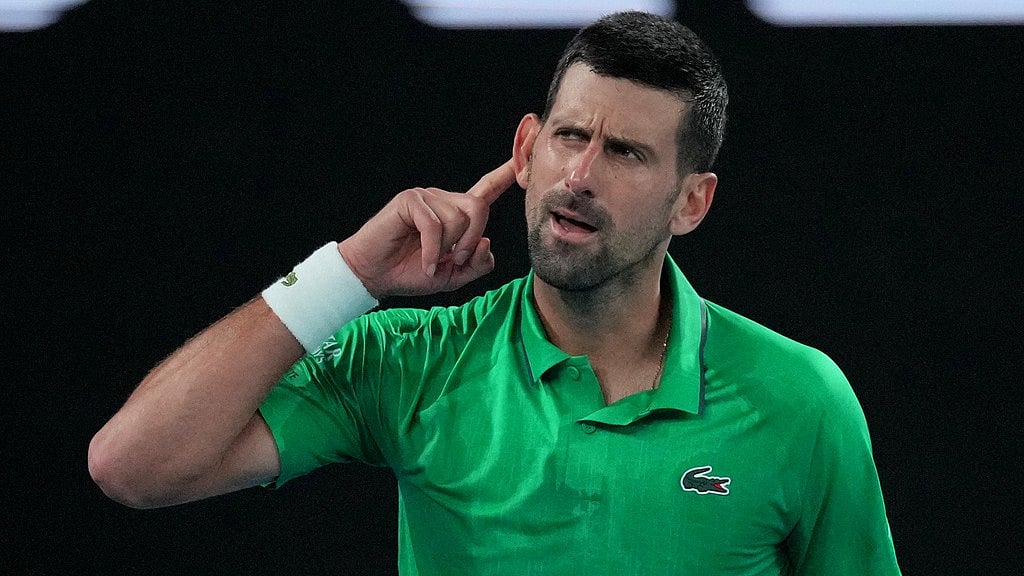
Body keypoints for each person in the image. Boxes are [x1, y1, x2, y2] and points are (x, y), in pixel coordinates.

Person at [89, 11, 901, 575]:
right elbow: (133, 466)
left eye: (625, 153)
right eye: (570, 136)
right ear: (525, 148)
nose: (579, 176)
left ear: (692, 200)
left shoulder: (801, 398)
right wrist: (347, 277)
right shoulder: (412, 361)